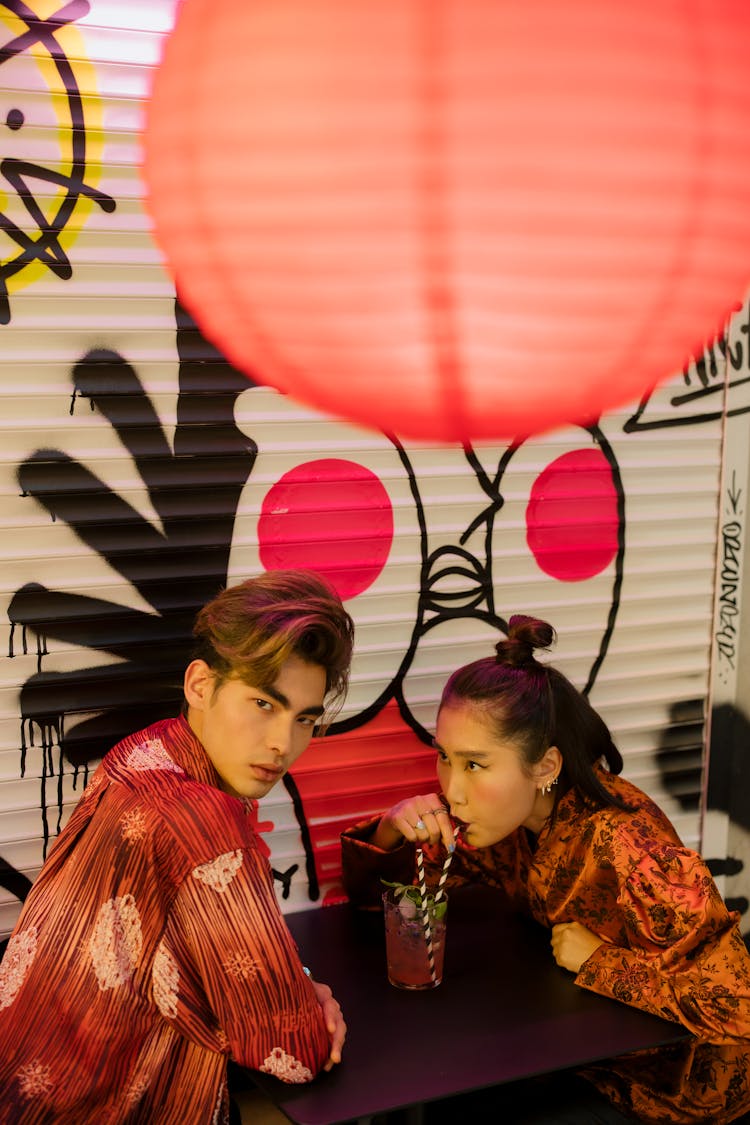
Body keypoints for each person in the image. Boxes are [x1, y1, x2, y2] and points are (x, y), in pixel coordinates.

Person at [341, 615, 750, 1125]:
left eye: (475, 764)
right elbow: (376, 901)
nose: (453, 788)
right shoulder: (504, 821)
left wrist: (600, 961)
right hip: (577, 1056)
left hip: (665, 1093)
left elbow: (737, 1004)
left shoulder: (630, 848)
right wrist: (391, 831)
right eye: (444, 757)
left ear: (545, 767)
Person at [0, 569, 355, 1124]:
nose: (283, 744)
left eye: (304, 719)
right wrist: (307, 1002)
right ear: (199, 685)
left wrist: (297, 985)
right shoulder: (200, 820)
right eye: (264, 703)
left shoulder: (148, 751)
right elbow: (295, 1052)